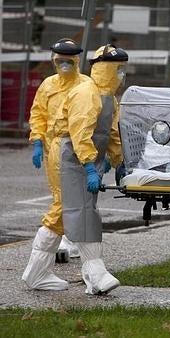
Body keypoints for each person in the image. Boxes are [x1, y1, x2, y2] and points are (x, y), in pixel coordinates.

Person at [23, 44, 128, 295]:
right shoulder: (86, 93)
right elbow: (79, 134)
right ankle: (96, 274)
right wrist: (89, 166)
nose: (122, 75)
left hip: (83, 157)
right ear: (106, 69)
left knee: (67, 209)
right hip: (70, 155)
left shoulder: (108, 97)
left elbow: (111, 134)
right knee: (79, 208)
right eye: (118, 69)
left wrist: (119, 162)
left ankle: (36, 273)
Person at [23, 38, 90, 290]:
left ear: (76, 60)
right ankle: (38, 272)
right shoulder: (48, 85)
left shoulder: (85, 85)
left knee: (70, 202)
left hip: (76, 150)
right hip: (54, 151)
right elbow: (38, 113)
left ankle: (52, 264)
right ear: (54, 60)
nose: (64, 64)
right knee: (63, 201)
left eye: (69, 60)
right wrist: (38, 140)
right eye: (60, 59)